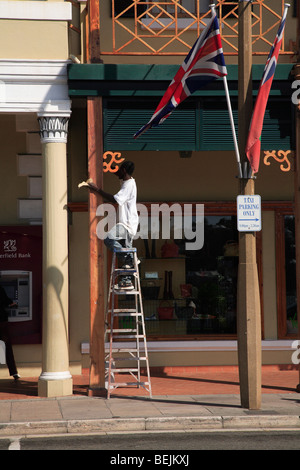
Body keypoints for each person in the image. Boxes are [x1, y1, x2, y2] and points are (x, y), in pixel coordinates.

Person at [85, 160, 139, 290]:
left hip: (126, 224)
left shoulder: (129, 185)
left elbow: (115, 199)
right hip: (128, 224)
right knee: (125, 258)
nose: (118, 173)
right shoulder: (127, 181)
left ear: (124, 170)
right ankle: (127, 281)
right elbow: (119, 174)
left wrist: (96, 189)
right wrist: (109, 165)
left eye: (120, 170)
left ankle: (129, 258)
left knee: (109, 238)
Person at [0, 285, 20, 380]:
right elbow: (7, 302)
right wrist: (13, 303)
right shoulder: (0, 288)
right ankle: (13, 372)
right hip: (1, 322)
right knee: (7, 346)